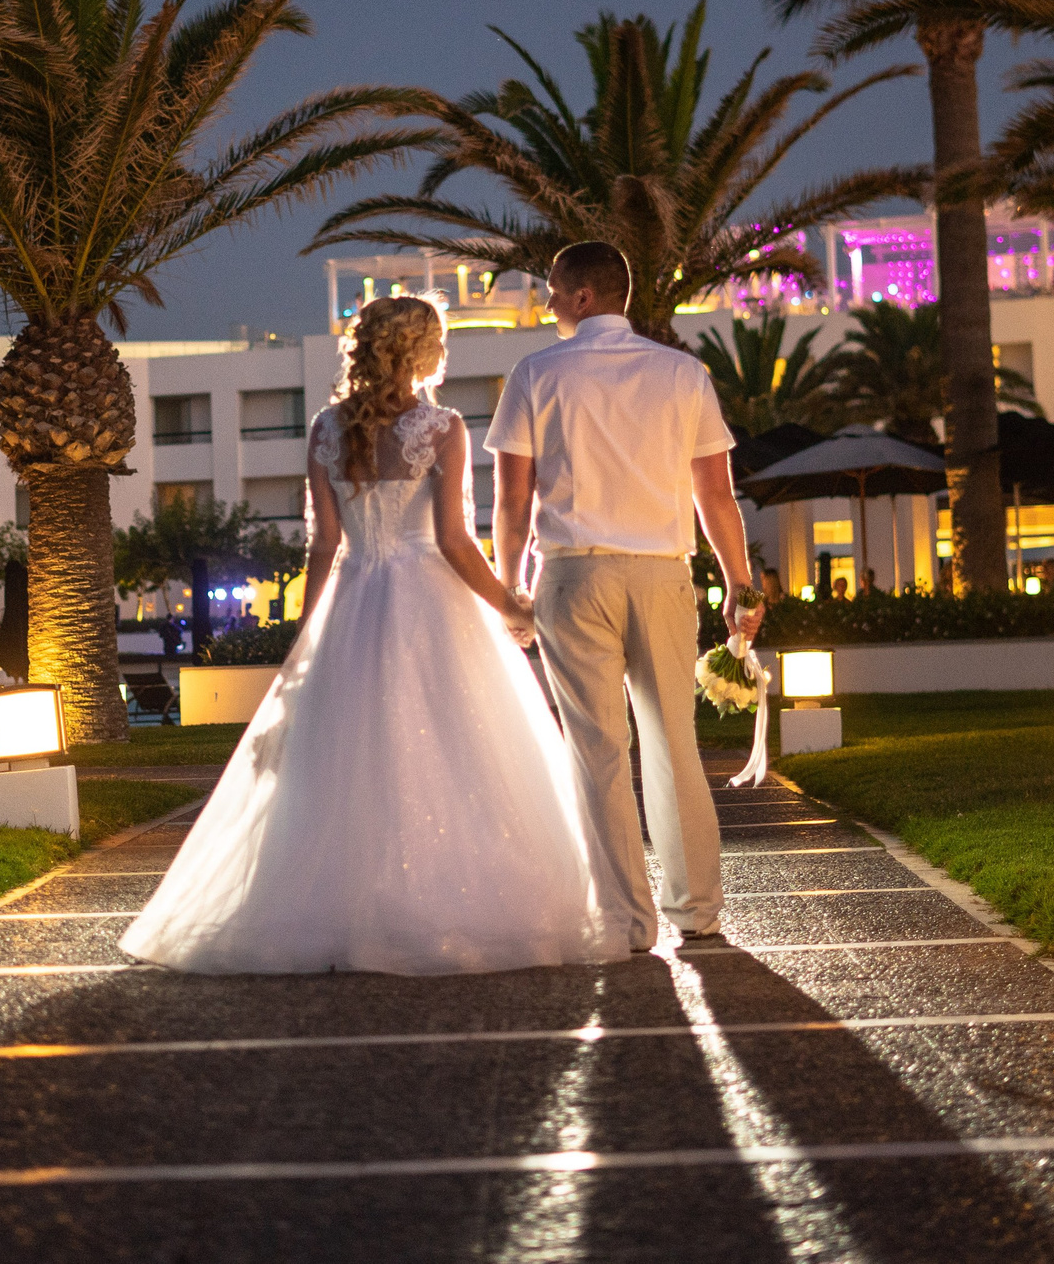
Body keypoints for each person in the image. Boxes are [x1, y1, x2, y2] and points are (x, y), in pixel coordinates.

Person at [121, 296, 614, 975]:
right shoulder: (441, 428)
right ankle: (443, 900)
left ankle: (341, 906)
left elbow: (322, 545)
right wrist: (509, 601)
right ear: (418, 351)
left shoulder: (326, 428)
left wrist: (305, 637)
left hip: (353, 599)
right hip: (428, 601)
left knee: (346, 757)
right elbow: (450, 539)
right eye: (439, 340)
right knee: (456, 745)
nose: (446, 352)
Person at [490, 241, 752, 952]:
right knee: (674, 742)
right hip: (664, 574)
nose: (546, 301)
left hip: (574, 576)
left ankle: (628, 920)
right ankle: (696, 908)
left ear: (582, 296)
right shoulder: (683, 372)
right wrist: (739, 582)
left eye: (551, 288)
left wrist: (510, 584)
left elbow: (512, 498)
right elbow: (716, 496)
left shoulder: (535, 374)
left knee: (599, 751)